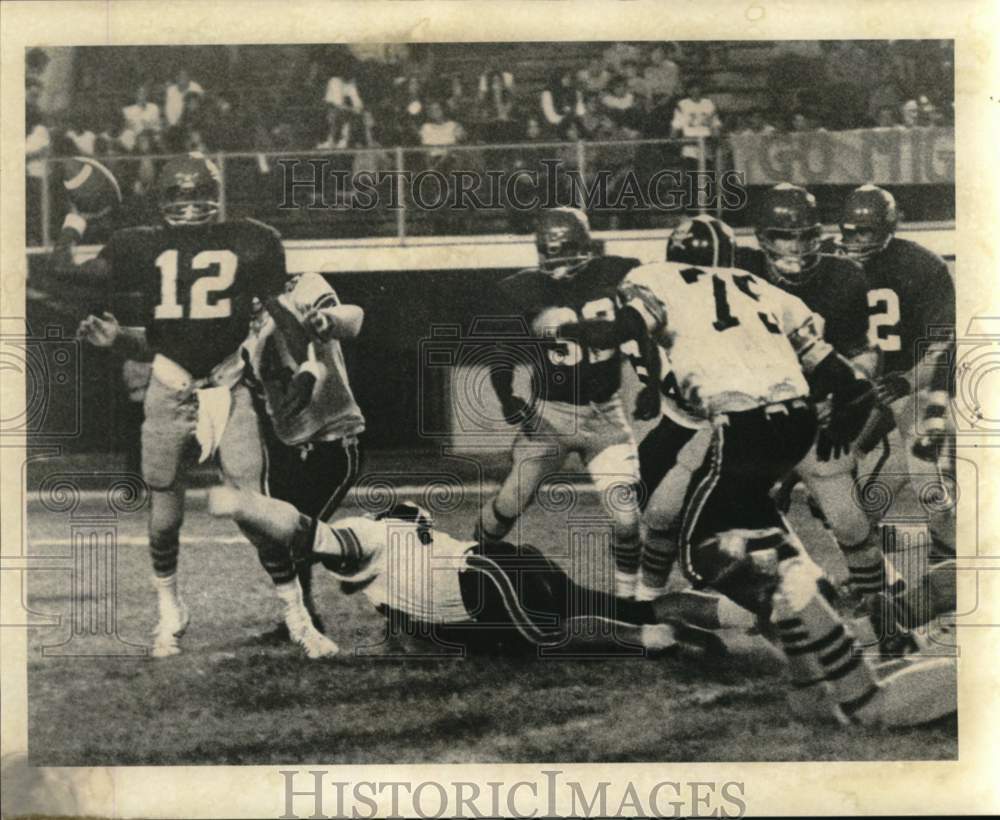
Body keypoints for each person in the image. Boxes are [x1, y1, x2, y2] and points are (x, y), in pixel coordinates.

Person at [562, 224, 957, 726]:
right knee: (764, 519)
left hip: (740, 422)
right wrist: (846, 411)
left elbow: (621, 328)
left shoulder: (657, 278)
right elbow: (841, 373)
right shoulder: (762, 290)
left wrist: (571, 332)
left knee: (704, 552)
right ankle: (819, 650)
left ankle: (806, 614)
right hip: (796, 418)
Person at [53, 153, 333, 659]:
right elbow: (282, 314)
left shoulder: (139, 242)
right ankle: (171, 612)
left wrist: (75, 219)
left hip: (223, 384)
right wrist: (308, 364)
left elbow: (61, 270)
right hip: (176, 384)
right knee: (168, 517)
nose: (188, 206)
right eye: (182, 197)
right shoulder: (252, 237)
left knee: (253, 508)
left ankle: (297, 617)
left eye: (192, 195)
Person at [206, 491, 753, 657]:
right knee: (618, 604)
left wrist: (239, 503)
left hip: (484, 583)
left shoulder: (360, 540)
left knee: (548, 639)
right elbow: (411, 634)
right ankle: (745, 616)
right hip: (503, 564)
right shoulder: (400, 535)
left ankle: (664, 642)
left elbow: (300, 531)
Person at [477, 208, 656, 599]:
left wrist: (649, 381)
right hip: (548, 417)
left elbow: (640, 331)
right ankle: (470, 568)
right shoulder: (522, 289)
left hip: (604, 413)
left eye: (567, 252)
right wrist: (506, 396)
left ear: (587, 247)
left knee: (627, 518)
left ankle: (628, 601)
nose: (558, 264)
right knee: (509, 505)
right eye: (550, 253)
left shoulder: (617, 273)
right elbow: (501, 351)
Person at [737, 183, 900, 609]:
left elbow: (862, 353)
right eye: (783, 236)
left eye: (806, 235)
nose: (796, 246)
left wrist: (846, 404)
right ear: (761, 238)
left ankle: (881, 601)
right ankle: (790, 597)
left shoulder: (844, 275)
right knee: (750, 522)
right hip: (756, 415)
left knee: (845, 518)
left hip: (816, 413)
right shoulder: (738, 274)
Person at [241, 271, 366, 643]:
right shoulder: (229, 314)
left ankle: (358, 553)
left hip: (333, 437)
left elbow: (352, 317)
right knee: (281, 535)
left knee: (299, 536)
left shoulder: (300, 287)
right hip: (286, 444)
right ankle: (304, 617)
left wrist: (328, 321)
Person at [835, 184, 956, 563]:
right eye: (849, 231)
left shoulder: (921, 266)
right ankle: (877, 576)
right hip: (864, 389)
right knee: (849, 498)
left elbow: (942, 343)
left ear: (888, 228)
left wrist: (909, 381)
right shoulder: (832, 266)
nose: (854, 240)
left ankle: (945, 581)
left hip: (916, 387)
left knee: (929, 487)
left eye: (865, 232)